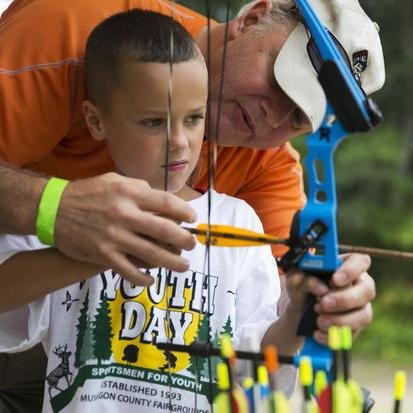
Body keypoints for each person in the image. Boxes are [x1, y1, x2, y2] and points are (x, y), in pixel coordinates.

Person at [0, 0, 381, 409]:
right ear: (252, 18)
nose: (272, 120)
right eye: (280, 82)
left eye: (299, 118)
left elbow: (275, 327)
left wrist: (326, 307)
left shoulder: (268, 169)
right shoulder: (69, 29)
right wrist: (57, 207)